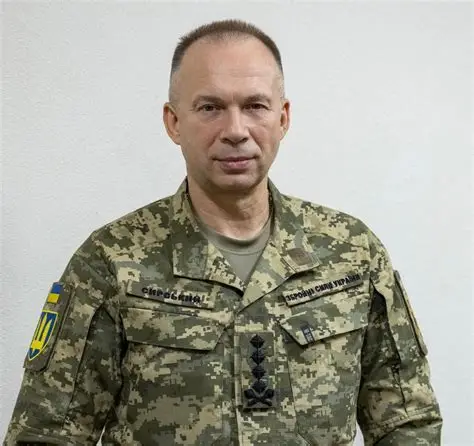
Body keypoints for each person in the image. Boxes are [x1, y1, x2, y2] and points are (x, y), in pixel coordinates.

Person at [4, 19, 442, 446]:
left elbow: (407, 421)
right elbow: (47, 433)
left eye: (255, 106)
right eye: (210, 107)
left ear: (283, 117)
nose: (235, 131)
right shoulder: (112, 259)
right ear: (174, 122)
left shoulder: (350, 251)